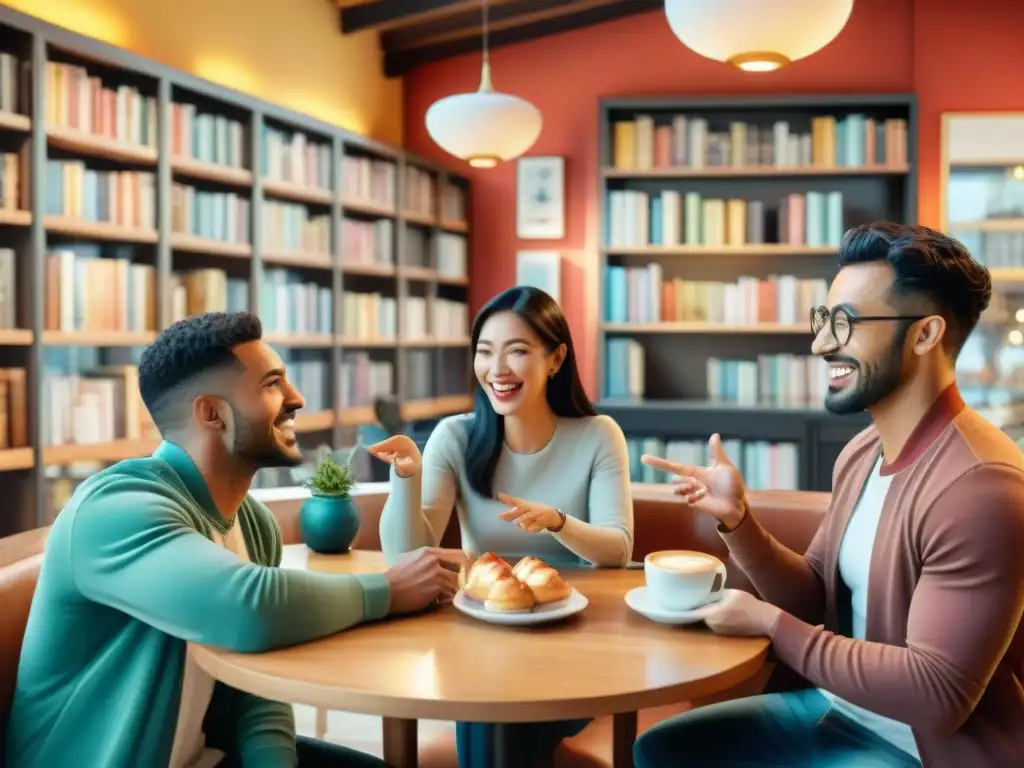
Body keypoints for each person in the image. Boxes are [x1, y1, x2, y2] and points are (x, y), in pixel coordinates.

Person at [633, 222, 1024, 768]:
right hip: (839, 709)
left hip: (920, 749)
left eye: (846, 322)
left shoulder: (981, 486)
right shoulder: (863, 453)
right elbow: (814, 598)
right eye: (823, 320)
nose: (820, 344)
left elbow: (939, 698)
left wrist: (772, 626)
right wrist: (739, 521)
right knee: (661, 749)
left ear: (926, 334)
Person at [5, 312, 466, 768]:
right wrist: (389, 590)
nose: (297, 398)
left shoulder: (252, 521)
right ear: (212, 413)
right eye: (272, 384)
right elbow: (251, 608)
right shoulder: (116, 508)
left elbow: (257, 692)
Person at [369, 286, 634, 767]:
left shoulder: (598, 436)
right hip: (481, 632)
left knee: (501, 717)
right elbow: (407, 555)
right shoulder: (455, 437)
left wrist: (556, 521)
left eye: (517, 351)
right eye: (486, 352)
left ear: (555, 359)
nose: (498, 369)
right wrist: (406, 476)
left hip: (574, 638)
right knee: (489, 704)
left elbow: (616, 549)